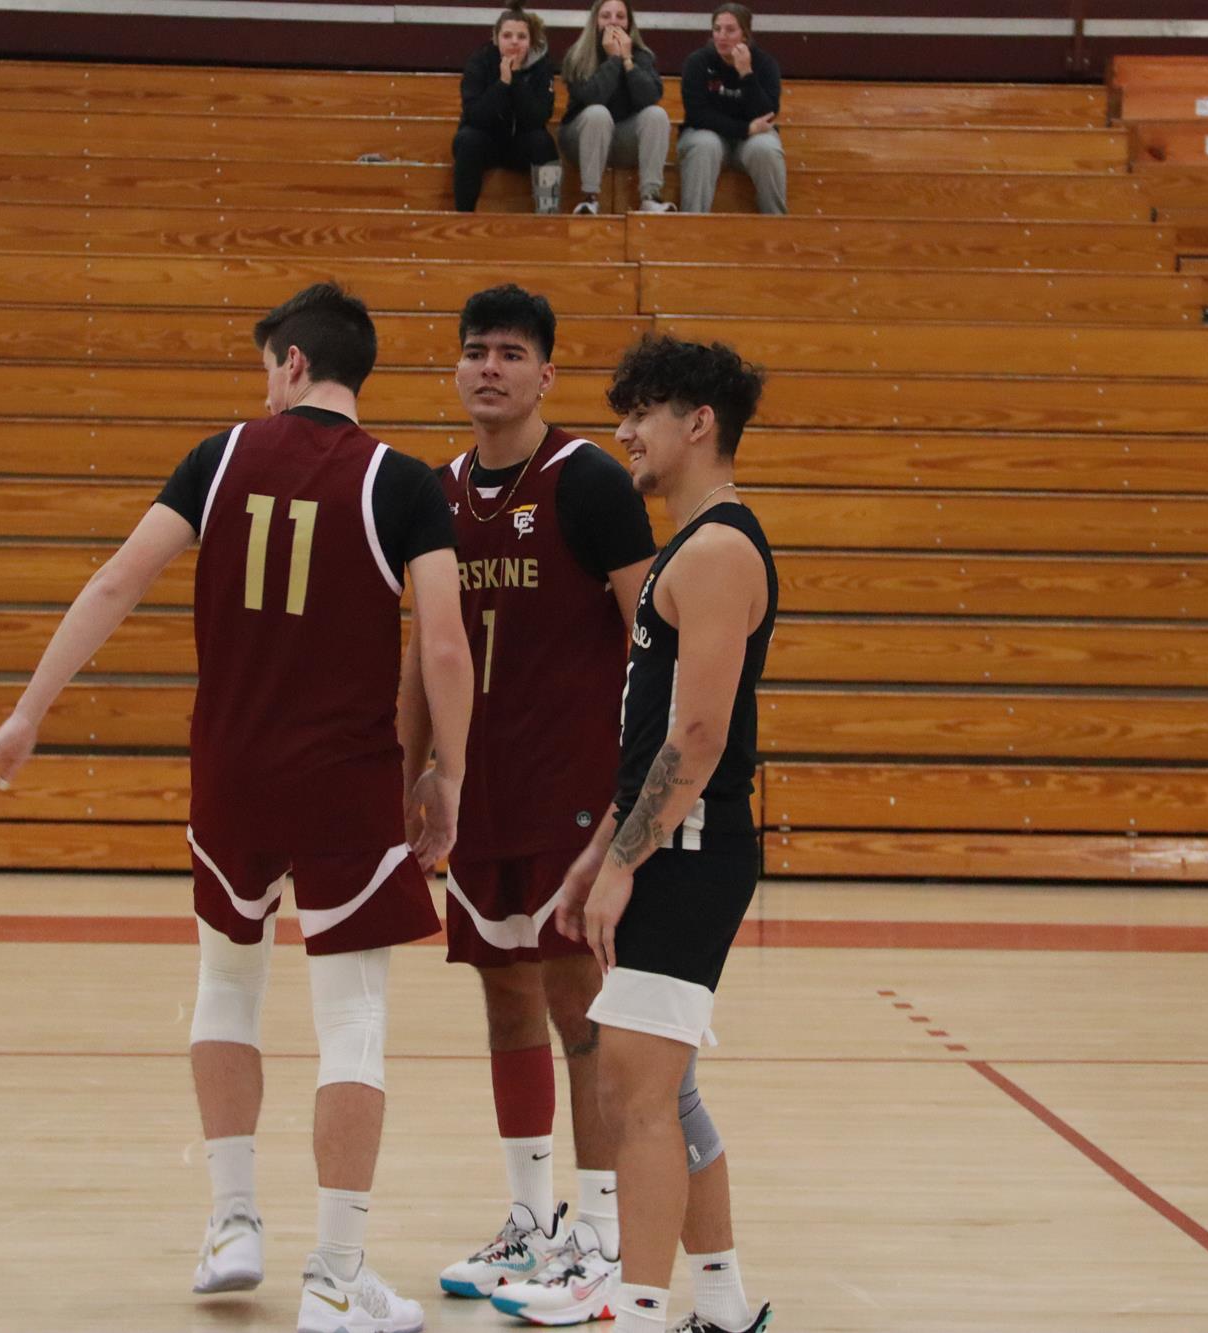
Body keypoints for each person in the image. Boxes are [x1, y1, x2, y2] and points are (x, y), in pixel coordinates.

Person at [0, 283, 473, 1333]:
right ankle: (335, 1275)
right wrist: (446, 780)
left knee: (225, 986)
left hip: (230, 773)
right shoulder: (404, 482)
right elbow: (440, 646)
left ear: (289, 364)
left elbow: (115, 582)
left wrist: (26, 713)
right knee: (353, 1022)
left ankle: (232, 1222)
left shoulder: (219, 458)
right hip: (343, 783)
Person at [397, 285, 656, 1324]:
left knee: (571, 1004)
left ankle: (597, 1232)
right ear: (456, 371)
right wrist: (412, 772)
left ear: (546, 373)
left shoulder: (587, 481)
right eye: (474, 351)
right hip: (481, 793)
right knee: (501, 999)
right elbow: (418, 651)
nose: (489, 367)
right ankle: (527, 1216)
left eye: (510, 352)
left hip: (570, 793)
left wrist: (630, 797)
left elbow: (653, 637)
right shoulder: (432, 491)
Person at [553, 334, 777, 1333]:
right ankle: (722, 1307)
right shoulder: (690, 548)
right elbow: (650, 736)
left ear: (698, 424)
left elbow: (697, 735)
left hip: (689, 856)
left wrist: (627, 862)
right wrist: (601, 849)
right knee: (665, 1089)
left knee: (631, 1095)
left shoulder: (721, 550)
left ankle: (640, 1312)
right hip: (665, 846)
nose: (622, 431)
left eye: (641, 411)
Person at [559, 0, 675, 216]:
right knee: (597, 113)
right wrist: (613, 59)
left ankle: (650, 197)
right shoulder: (577, 55)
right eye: (606, 16)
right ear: (595, 21)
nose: (613, 21)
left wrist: (628, 60)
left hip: (623, 139)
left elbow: (650, 97)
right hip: (580, 139)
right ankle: (590, 198)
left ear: (629, 23)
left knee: (656, 114)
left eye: (620, 16)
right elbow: (593, 97)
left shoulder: (642, 56)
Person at [677, 3, 786, 215]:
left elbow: (767, 113)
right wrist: (745, 129)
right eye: (717, 29)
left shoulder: (765, 64)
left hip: (751, 140)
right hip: (711, 133)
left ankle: (777, 223)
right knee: (704, 145)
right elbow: (698, 115)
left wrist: (746, 74)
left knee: (766, 149)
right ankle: (691, 222)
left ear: (744, 35)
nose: (721, 36)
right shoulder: (697, 62)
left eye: (730, 30)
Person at [456, 4, 563, 214]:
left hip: (521, 145)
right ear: (496, 39)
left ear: (530, 41)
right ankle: (463, 215)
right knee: (468, 140)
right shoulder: (480, 62)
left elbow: (539, 117)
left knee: (543, 141)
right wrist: (502, 84)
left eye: (522, 37)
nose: (514, 42)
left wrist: (516, 81)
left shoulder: (541, 67)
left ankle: (549, 214)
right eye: (507, 36)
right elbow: (475, 115)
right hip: (486, 142)